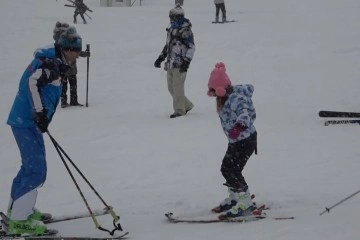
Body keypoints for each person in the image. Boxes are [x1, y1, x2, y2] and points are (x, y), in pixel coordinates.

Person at [6, 25, 82, 236]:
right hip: (27, 122)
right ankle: (19, 220)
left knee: (29, 167)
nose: (77, 55)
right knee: (36, 171)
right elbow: (30, 82)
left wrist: (40, 115)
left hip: (27, 122)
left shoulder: (54, 62)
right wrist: (38, 112)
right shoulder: (49, 64)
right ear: (66, 49)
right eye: (75, 51)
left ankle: (20, 210)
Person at [207, 62, 258, 219]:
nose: (214, 95)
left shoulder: (237, 98)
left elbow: (246, 112)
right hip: (236, 141)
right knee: (226, 168)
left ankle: (245, 202)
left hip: (246, 140)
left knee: (233, 170)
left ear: (221, 89)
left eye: (214, 91)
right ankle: (236, 197)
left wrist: (239, 127)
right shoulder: (226, 99)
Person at [154, 4, 195, 118]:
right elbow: (168, 45)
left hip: (180, 64)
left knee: (177, 87)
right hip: (171, 63)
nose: (171, 19)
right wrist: (161, 58)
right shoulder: (171, 29)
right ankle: (187, 105)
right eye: (170, 17)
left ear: (179, 17)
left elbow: (192, 47)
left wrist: (186, 62)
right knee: (171, 87)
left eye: (173, 17)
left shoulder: (185, 31)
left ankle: (179, 110)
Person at [53, 22, 89, 108]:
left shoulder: (60, 41)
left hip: (64, 69)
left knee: (64, 85)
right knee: (71, 84)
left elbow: (73, 51)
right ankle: (72, 101)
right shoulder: (66, 40)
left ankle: (64, 101)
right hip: (69, 68)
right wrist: (86, 54)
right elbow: (75, 51)